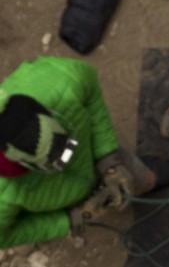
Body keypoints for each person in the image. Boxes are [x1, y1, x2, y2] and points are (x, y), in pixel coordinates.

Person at [0, 56, 155, 250]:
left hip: (89, 155)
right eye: (53, 160)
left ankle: (144, 184)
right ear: (18, 161)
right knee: (116, 192)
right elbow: (2, 237)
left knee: (142, 179)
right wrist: (69, 221)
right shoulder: (3, 195)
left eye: (64, 145)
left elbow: (90, 88)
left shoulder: (60, 81)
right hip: (59, 198)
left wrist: (108, 158)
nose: (65, 156)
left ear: (48, 112)